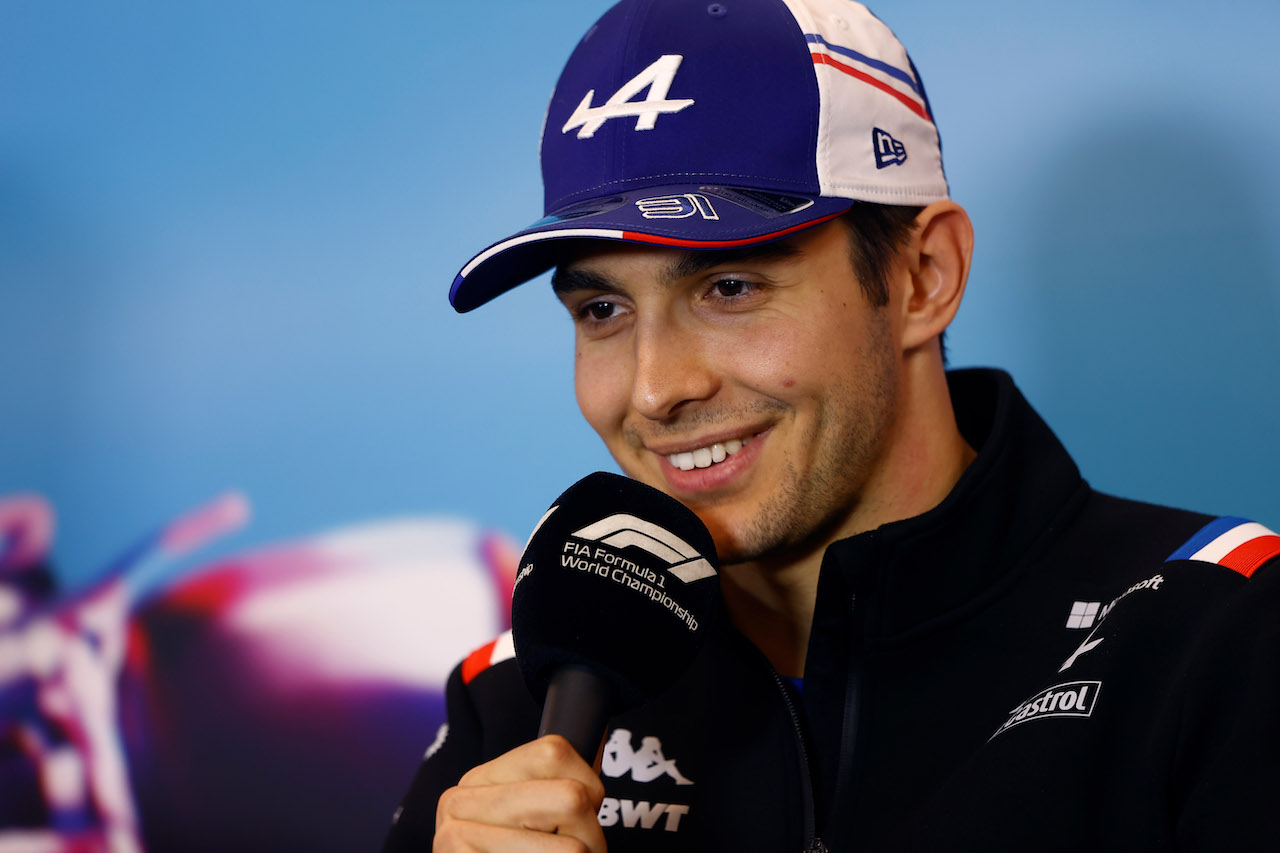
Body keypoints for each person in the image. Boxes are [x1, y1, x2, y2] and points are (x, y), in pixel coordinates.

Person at [382, 0, 1280, 849]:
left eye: (728, 287)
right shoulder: (513, 704)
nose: (656, 390)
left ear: (924, 276)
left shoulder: (1219, 637)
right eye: (602, 311)